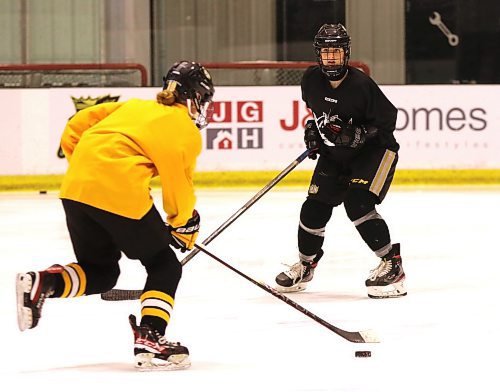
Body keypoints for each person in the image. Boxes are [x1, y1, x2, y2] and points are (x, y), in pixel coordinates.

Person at [15, 61, 215, 370]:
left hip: (76, 190)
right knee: (164, 267)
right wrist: (183, 223)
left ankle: (44, 282)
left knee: (100, 273)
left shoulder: (133, 106)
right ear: (193, 97)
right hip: (119, 195)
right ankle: (151, 336)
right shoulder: (184, 130)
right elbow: (178, 185)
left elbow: (76, 125)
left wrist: (89, 168)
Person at [275, 24, 406, 299]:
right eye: (325, 52)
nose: (331, 58)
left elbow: (387, 123)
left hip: (375, 152)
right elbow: (320, 115)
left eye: (335, 51)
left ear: (345, 53)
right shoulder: (310, 80)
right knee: (313, 208)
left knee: (357, 203)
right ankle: (306, 265)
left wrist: (360, 134)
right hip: (336, 154)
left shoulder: (360, 84)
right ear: (318, 54)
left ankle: (392, 266)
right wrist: (314, 131)